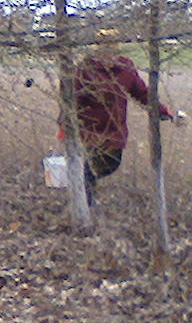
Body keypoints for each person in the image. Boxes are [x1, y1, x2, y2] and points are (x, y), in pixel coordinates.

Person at [72, 32, 179, 202]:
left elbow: (142, 93)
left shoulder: (126, 67)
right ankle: (85, 204)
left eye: (113, 51)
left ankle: (83, 191)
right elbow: (72, 100)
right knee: (90, 170)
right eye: (104, 51)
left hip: (115, 132)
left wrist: (162, 111)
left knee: (111, 165)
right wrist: (65, 126)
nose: (109, 57)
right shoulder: (85, 69)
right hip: (90, 130)